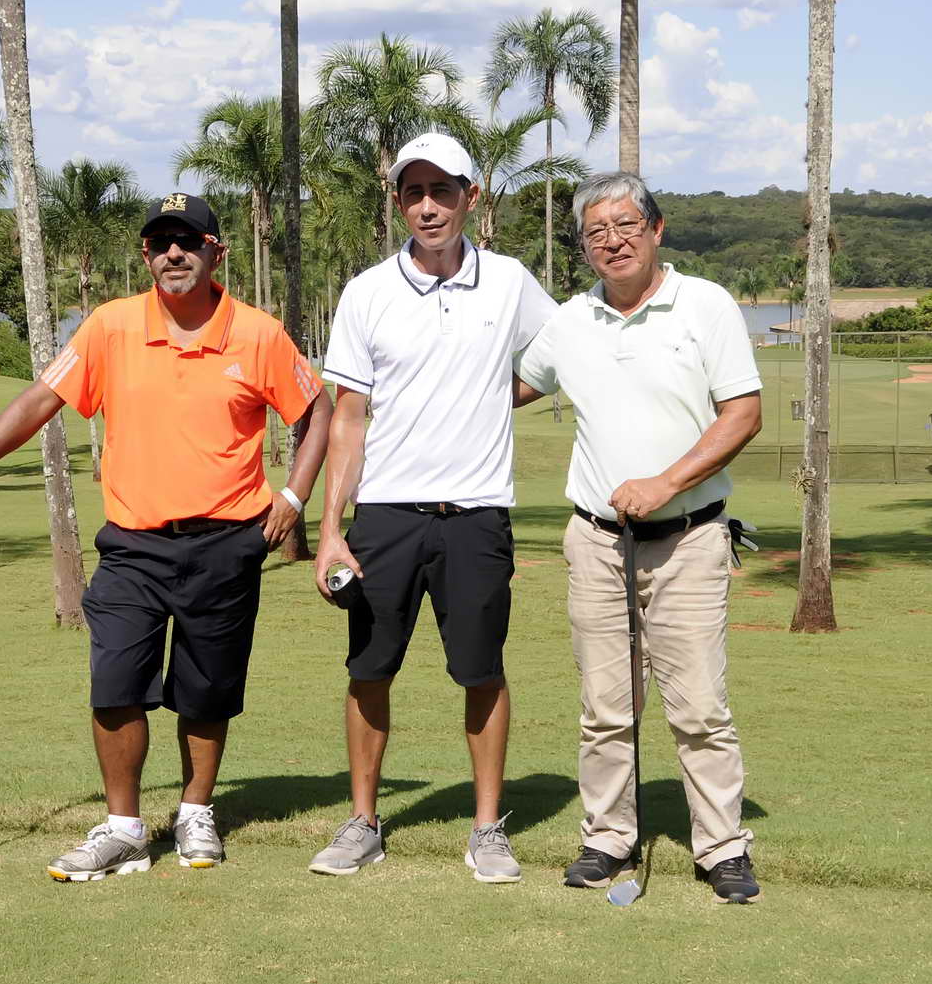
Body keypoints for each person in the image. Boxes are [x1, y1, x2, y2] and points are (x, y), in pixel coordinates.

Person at [0, 192, 331, 883]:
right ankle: (123, 829)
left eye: (189, 240)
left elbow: (316, 408)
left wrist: (294, 496)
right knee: (115, 680)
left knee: (207, 690)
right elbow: (43, 398)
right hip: (133, 544)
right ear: (146, 255)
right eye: (161, 242)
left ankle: (196, 809)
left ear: (215, 252)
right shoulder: (110, 326)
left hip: (227, 539)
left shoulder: (258, 334)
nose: (174, 252)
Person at [308, 132, 557, 884]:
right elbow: (348, 417)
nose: (427, 206)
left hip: (477, 514)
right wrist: (330, 530)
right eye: (413, 192)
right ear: (397, 202)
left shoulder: (510, 281)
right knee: (369, 669)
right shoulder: (367, 292)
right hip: (386, 514)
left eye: (442, 191)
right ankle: (363, 822)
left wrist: (498, 397)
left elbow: (559, 354)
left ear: (470, 198)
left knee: (481, 671)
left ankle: (487, 829)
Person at [514, 171, 765, 902]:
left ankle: (721, 847)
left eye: (626, 225)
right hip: (597, 541)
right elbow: (511, 387)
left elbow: (743, 413)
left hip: (688, 538)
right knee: (606, 708)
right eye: (597, 232)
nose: (613, 241)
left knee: (699, 707)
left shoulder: (705, 305)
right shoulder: (571, 321)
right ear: (584, 247)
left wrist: (665, 482)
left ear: (656, 229)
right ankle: (608, 838)